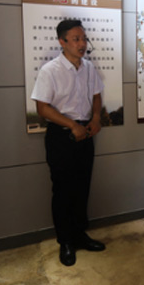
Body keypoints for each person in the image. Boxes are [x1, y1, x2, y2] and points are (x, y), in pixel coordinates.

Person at [31, 19, 106, 267]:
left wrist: (96, 118)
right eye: (76, 39)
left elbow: (97, 96)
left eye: (83, 38)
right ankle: (65, 242)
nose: (82, 44)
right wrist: (72, 125)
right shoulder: (50, 70)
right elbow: (42, 108)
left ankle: (79, 235)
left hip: (86, 133)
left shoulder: (89, 68)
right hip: (61, 136)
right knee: (63, 190)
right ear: (62, 42)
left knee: (82, 187)